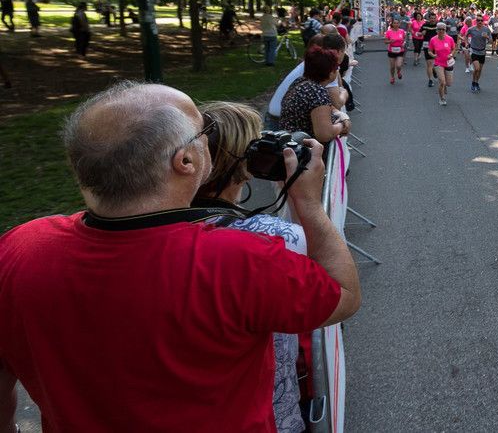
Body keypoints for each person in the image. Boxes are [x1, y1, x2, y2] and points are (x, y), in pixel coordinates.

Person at [0, 81, 361, 431]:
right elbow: (343, 295)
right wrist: (309, 204)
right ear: (185, 160)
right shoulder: (240, 260)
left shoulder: (20, 250)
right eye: (204, 130)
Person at [191, 101, 310, 433]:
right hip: (265, 407)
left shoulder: (157, 226)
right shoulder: (270, 237)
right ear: (245, 162)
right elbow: (333, 288)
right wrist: (305, 197)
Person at [281, 45, 350, 143]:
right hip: (306, 147)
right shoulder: (317, 92)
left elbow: (322, 107)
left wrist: (338, 114)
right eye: (336, 68)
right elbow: (325, 134)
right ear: (331, 72)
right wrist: (343, 125)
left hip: (290, 143)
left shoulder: (301, 82)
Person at [428, 23, 457, 105]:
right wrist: (433, 55)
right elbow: (429, 51)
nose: (441, 31)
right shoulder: (433, 39)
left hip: (448, 63)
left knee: (449, 83)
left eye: (443, 29)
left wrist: (451, 54)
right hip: (438, 63)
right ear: (436, 30)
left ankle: (444, 85)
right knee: (442, 82)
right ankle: (442, 99)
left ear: (445, 30)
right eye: (439, 29)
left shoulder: (450, 39)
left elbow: (454, 48)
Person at [467, 16, 491, 92]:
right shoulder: (472, 29)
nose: (480, 22)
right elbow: (465, 35)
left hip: (482, 52)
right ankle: (473, 82)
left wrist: (487, 37)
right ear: (476, 21)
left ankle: (476, 83)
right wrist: (466, 43)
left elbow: (491, 40)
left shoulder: (486, 29)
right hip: (474, 51)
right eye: (478, 20)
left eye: (481, 20)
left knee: (480, 70)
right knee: (476, 68)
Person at [384, 17, 406, 85]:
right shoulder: (388, 32)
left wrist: (403, 43)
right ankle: (392, 77)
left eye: (397, 23)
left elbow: (404, 39)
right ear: (392, 24)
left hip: (400, 50)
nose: (396, 24)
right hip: (391, 51)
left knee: (399, 65)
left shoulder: (402, 31)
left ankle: (398, 72)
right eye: (394, 23)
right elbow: (385, 42)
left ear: (399, 24)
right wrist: (390, 41)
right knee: (392, 67)